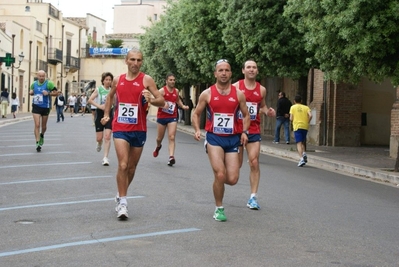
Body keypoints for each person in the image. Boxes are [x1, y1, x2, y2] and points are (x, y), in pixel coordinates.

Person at [101, 49, 165, 219]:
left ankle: (120, 193)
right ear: (126, 61)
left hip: (139, 129)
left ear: (142, 62)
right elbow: (109, 97)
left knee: (131, 167)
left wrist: (151, 99)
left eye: (139, 60)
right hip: (121, 128)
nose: (135, 63)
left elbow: (162, 101)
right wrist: (107, 114)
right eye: (132, 60)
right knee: (122, 164)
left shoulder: (146, 80)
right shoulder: (118, 80)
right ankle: (123, 202)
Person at [192, 59, 250, 222]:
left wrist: (245, 131)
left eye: (227, 70)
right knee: (220, 173)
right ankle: (219, 208)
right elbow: (196, 113)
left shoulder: (238, 94)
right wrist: (197, 129)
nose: (224, 73)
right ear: (215, 73)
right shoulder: (207, 93)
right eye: (221, 70)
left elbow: (246, 115)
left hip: (233, 139)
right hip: (214, 138)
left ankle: (219, 182)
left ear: (231, 73)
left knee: (232, 179)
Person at [233, 59, 276, 210]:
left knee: (254, 162)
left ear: (257, 71)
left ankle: (253, 197)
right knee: (235, 166)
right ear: (243, 70)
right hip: (237, 130)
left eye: (254, 67)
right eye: (248, 67)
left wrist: (268, 111)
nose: (251, 69)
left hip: (253, 130)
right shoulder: (236, 87)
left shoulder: (261, 89)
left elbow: (262, 106)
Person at [153, 73, 188, 166]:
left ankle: (171, 157)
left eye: (174, 80)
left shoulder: (176, 91)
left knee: (171, 137)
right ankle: (158, 146)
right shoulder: (162, 91)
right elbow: (155, 101)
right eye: (171, 80)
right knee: (159, 138)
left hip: (172, 116)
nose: (173, 81)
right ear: (166, 81)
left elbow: (177, 100)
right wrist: (162, 104)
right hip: (162, 116)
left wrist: (183, 106)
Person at [88, 72, 114, 166]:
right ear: (103, 81)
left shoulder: (112, 90)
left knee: (107, 136)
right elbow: (90, 100)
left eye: (110, 80)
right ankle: (99, 143)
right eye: (106, 80)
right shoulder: (99, 89)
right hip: (100, 113)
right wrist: (99, 106)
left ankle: (105, 158)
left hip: (109, 114)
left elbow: (115, 102)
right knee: (99, 138)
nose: (108, 81)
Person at [29, 70, 57, 152]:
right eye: (40, 76)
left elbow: (57, 93)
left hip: (45, 107)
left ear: (45, 76)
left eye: (43, 76)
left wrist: (48, 93)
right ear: (37, 76)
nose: (41, 77)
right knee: (37, 125)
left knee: (43, 126)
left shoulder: (49, 84)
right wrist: (31, 92)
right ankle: (37, 142)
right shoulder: (33, 84)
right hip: (36, 106)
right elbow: (31, 91)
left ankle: (42, 135)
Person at [290, 95, 312, 167]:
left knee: (298, 143)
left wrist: (293, 120)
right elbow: (310, 115)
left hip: (297, 126)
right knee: (302, 141)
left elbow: (291, 118)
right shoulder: (306, 107)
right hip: (305, 126)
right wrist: (308, 121)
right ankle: (304, 153)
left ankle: (301, 158)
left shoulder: (293, 107)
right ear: (301, 101)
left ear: (294, 101)